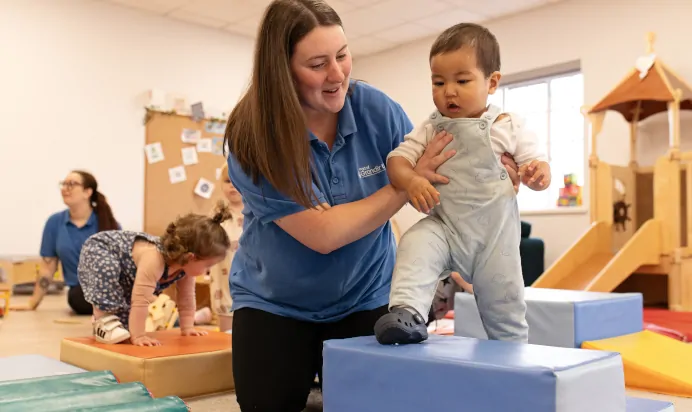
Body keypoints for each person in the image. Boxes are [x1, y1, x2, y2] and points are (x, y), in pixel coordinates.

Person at [222, 1, 522, 410]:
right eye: (317, 64)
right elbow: (324, 234)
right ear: (281, 70)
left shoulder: (376, 112)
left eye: (342, 55)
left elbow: (444, 184)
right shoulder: (253, 135)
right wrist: (404, 184)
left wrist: (496, 181)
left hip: (364, 295)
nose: (337, 74)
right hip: (275, 304)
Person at [374, 22, 552, 346]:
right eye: (438, 82)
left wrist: (537, 175)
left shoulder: (506, 125)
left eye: (462, 80)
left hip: (494, 241)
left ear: (492, 82)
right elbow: (396, 161)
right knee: (415, 243)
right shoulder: (431, 127)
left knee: (506, 307)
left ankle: (513, 353)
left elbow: (536, 166)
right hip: (446, 228)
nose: (449, 91)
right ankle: (409, 313)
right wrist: (412, 179)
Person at [77, 201, 232, 346]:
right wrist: (139, 335)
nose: (208, 271)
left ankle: (111, 326)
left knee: (123, 329)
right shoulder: (154, 259)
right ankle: (103, 320)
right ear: (191, 257)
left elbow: (186, 298)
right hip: (102, 249)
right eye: (208, 265)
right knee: (108, 277)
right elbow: (140, 301)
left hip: (127, 271)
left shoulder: (185, 267)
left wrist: (187, 328)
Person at [12, 170, 120, 314]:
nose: (65, 188)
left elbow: (124, 264)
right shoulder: (54, 223)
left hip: (112, 287)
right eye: (64, 184)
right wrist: (32, 303)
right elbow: (47, 268)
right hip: (82, 292)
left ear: (87, 192)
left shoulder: (108, 223)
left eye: (72, 184)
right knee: (76, 298)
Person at [207, 161, 245, 320]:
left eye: (237, 181)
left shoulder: (255, 212)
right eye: (228, 181)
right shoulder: (218, 213)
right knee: (226, 330)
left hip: (247, 279)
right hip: (223, 278)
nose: (232, 186)